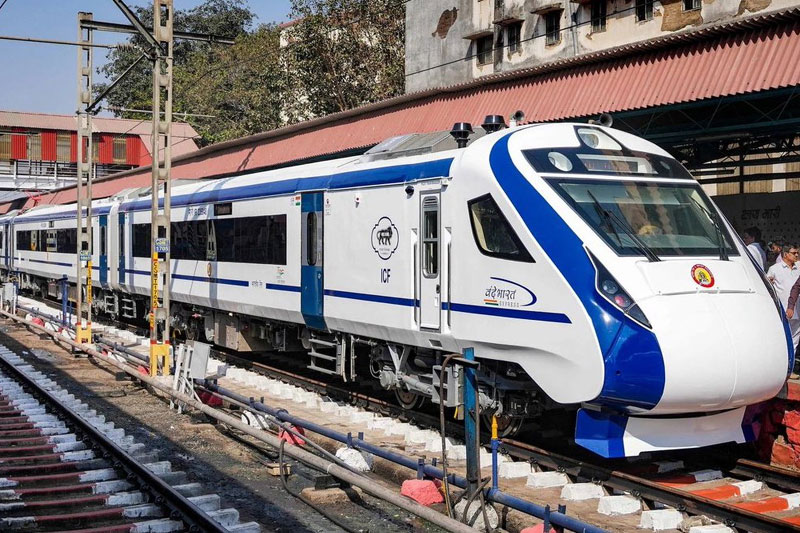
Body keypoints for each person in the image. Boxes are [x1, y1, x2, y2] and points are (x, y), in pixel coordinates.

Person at [768, 245, 800, 352]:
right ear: (786, 254)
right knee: (783, 335)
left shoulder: (798, 267)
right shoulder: (774, 269)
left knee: (795, 336)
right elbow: (768, 287)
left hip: (797, 308)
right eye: (793, 253)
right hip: (783, 308)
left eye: (797, 253)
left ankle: (791, 360)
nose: (796, 255)